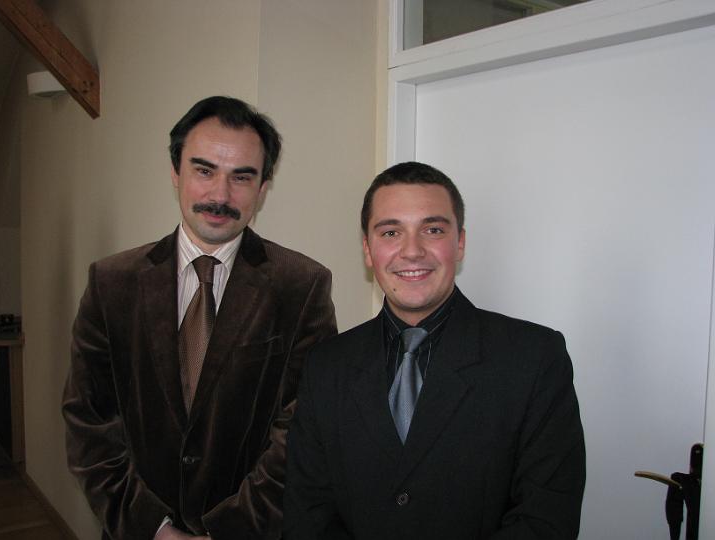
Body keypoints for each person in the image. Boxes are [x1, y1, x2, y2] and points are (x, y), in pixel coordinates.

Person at [62, 96, 337, 540]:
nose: (220, 196)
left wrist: (228, 530)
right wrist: (152, 527)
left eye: (241, 177)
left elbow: (303, 428)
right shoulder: (111, 283)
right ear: (176, 172)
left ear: (263, 188)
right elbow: (88, 420)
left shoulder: (302, 286)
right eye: (204, 171)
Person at [284, 161, 585, 539]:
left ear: (460, 243)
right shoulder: (326, 366)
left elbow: (546, 520)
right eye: (391, 232)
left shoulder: (535, 359)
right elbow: (308, 515)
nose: (412, 251)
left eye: (433, 229)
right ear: (368, 250)